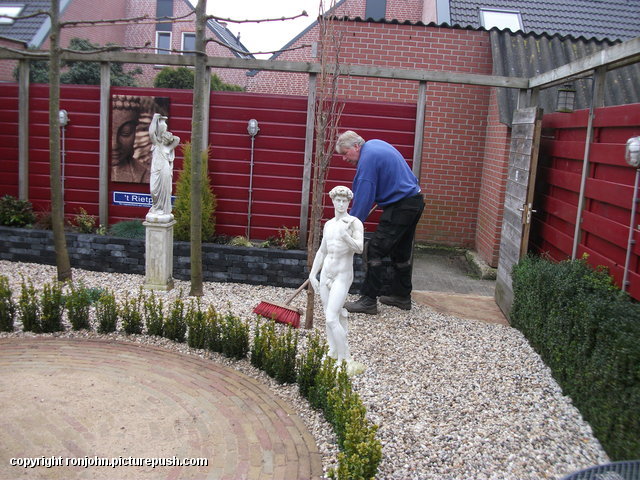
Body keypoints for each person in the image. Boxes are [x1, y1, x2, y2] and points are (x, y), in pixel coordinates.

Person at [335, 130, 424, 314]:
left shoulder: (367, 160)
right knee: (400, 251)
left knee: (374, 249)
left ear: (356, 146)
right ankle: (401, 296)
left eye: (345, 153)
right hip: (414, 201)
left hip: (401, 206)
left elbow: (363, 196)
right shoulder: (375, 145)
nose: (344, 158)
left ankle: (368, 300)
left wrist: (352, 225)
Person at [309, 186, 364, 369]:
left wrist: (346, 237)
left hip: (342, 276)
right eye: (338, 200)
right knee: (329, 316)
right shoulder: (329, 224)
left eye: (344, 201)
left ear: (349, 202)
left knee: (332, 317)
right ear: (332, 201)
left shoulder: (354, 223)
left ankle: (345, 358)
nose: (341, 204)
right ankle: (333, 350)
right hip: (326, 274)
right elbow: (322, 251)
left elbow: (359, 248)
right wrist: (312, 274)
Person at [148, 113, 180, 218]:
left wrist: (169, 136)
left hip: (164, 170)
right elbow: (151, 133)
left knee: (164, 191)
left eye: (167, 140)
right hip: (155, 170)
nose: (165, 140)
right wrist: (155, 119)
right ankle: (156, 207)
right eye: (164, 138)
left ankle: (161, 209)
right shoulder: (157, 144)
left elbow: (177, 139)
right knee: (153, 190)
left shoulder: (168, 148)